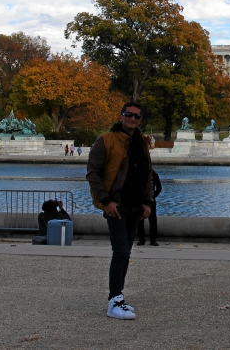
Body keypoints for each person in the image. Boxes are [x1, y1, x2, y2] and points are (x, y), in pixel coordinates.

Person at [87, 102, 155, 320]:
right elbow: (93, 173)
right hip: (116, 205)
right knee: (121, 251)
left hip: (136, 206)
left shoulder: (142, 142)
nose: (132, 119)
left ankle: (118, 298)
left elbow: (147, 174)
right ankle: (115, 299)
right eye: (129, 115)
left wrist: (148, 202)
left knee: (125, 252)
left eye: (136, 116)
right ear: (121, 116)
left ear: (140, 120)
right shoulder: (106, 139)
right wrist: (105, 201)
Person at [136, 169, 162, 246]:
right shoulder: (153, 174)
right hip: (148, 200)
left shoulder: (153, 174)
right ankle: (150, 240)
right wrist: (153, 196)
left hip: (146, 200)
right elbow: (159, 188)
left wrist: (153, 197)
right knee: (150, 221)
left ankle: (144, 239)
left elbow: (159, 188)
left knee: (148, 221)